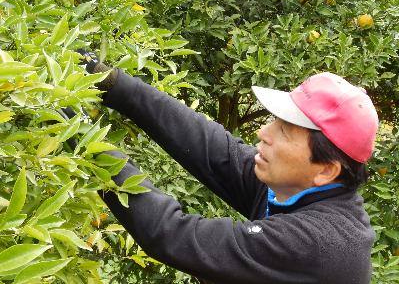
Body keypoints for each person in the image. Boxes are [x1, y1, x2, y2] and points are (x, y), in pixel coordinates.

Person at [78, 49, 378, 284]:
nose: (264, 133)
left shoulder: (319, 243)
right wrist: (114, 84)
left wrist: (81, 134)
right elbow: (212, 148)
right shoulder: (296, 187)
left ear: (326, 169)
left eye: (284, 131)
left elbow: (170, 234)